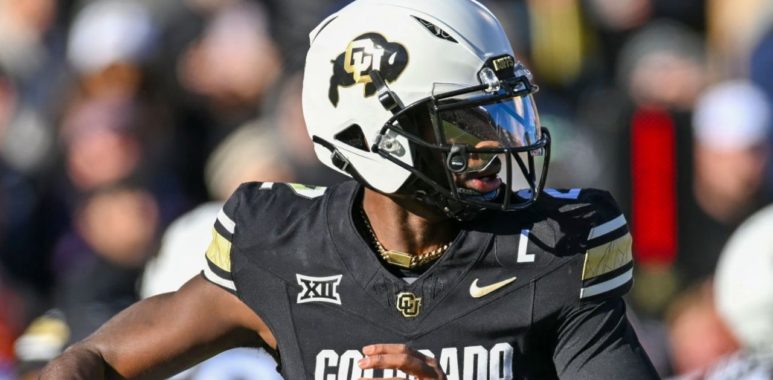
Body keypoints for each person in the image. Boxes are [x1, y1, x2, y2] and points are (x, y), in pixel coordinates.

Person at [40, 0, 658, 378]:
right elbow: (93, 361)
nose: (497, 144)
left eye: (499, 116)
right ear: (375, 136)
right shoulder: (281, 246)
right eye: (465, 122)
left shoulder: (552, 248)